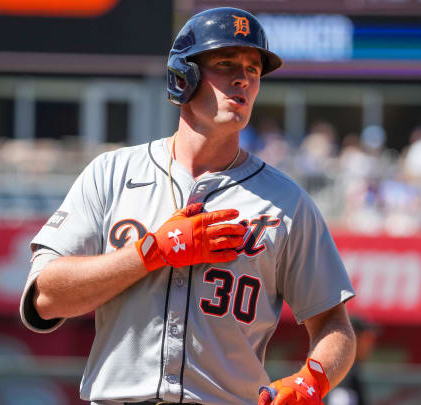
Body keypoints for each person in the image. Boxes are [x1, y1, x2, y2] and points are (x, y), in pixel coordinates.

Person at [20, 7, 356, 405]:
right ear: (184, 76)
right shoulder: (112, 173)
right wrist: (151, 252)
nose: (242, 78)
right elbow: (46, 296)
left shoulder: (286, 202)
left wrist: (312, 380)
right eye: (225, 62)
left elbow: (335, 324)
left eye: (253, 68)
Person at [326, 316, 379, 405]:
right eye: (367, 338)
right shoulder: (344, 372)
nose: (371, 345)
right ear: (353, 338)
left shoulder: (341, 368)